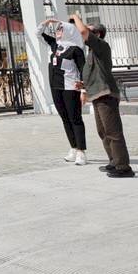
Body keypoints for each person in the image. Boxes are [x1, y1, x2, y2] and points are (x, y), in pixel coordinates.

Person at [71, 14, 134, 178]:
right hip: (97, 95)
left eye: (90, 31)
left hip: (106, 94)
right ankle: (114, 161)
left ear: (97, 34)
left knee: (113, 131)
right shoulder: (92, 52)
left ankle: (123, 166)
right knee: (103, 132)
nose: (82, 33)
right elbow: (96, 74)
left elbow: (83, 31)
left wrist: (75, 17)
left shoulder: (101, 46)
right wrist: (83, 86)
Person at [39, 18, 87, 165]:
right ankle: (73, 148)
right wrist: (47, 22)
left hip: (70, 88)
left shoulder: (75, 49)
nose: (58, 31)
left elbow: (83, 70)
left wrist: (84, 90)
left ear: (68, 31)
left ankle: (81, 151)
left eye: (61, 29)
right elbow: (38, 33)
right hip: (56, 87)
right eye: (57, 29)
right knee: (65, 119)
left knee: (75, 119)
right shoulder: (54, 45)